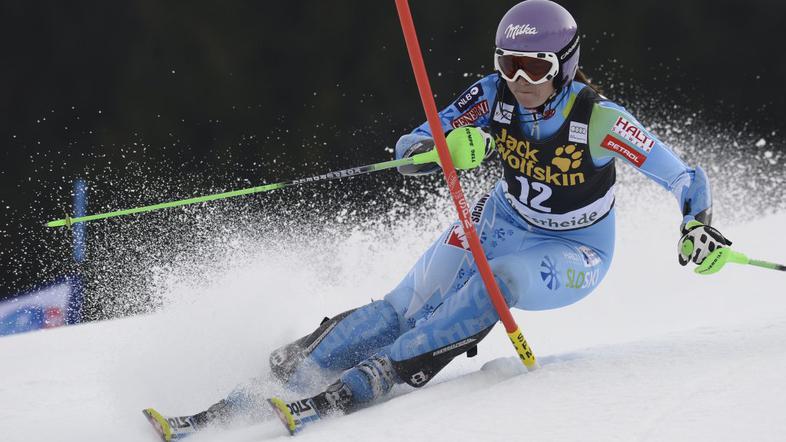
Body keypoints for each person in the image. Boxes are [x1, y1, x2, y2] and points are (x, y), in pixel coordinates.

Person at [142, 0, 733, 439]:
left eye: (536, 67)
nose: (521, 82)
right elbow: (414, 143)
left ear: (566, 65)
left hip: (577, 249)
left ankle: (383, 373)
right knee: (407, 300)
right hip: (503, 217)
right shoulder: (491, 95)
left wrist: (696, 223)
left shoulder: (600, 120)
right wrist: (445, 151)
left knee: (498, 280)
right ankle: (293, 373)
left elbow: (683, 176)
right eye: (509, 64)